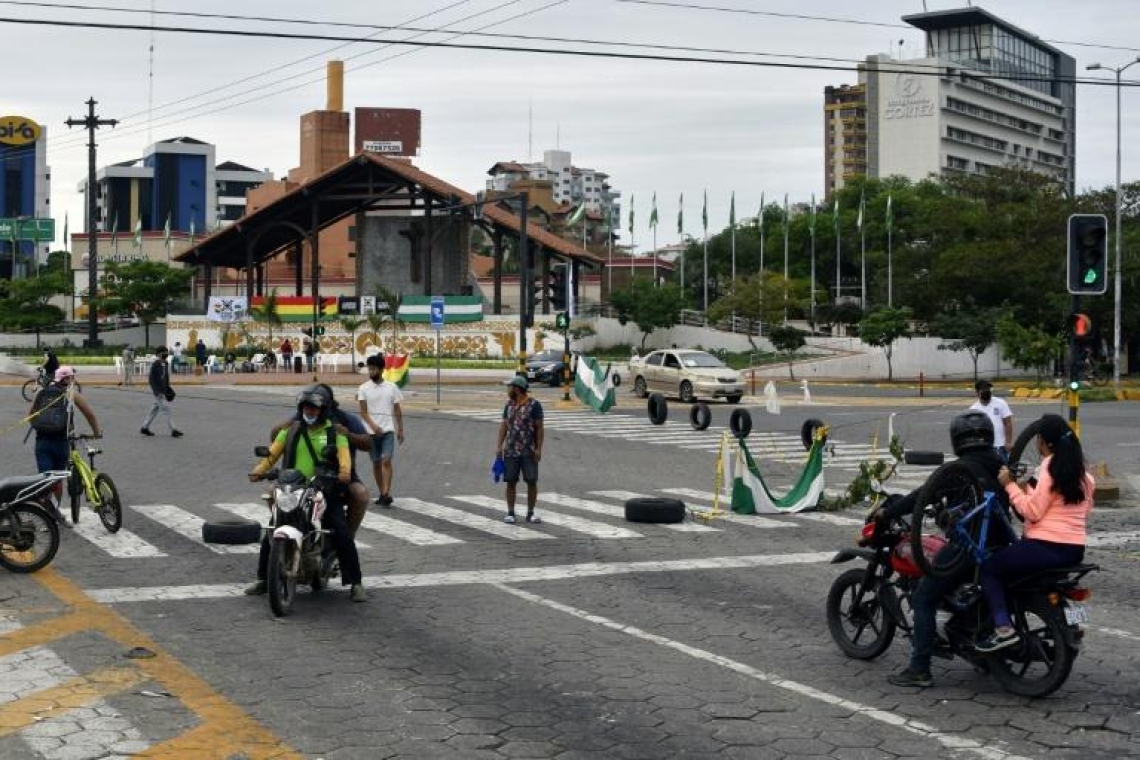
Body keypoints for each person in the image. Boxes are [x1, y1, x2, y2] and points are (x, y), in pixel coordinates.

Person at [884, 412, 1013, 688]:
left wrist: (888, 512)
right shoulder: (1002, 463)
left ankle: (919, 669)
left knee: (923, 597)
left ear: (957, 440)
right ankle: (979, 652)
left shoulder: (960, 469)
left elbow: (922, 494)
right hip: (1003, 544)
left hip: (969, 546)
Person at [976, 414, 1094, 652]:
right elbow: (1080, 510)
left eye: (1039, 440)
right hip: (1073, 550)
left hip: (1044, 547)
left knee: (990, 569)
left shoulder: (1050, 466)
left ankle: (1003, 629)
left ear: (1048, 444)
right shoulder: (1085, 475)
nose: (1037, 444)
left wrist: (1009, 484)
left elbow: (1032, 511)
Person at [246, 385, 365, 602]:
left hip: (323, 491)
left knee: (340, 532)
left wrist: (344, 473)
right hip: (293, 489)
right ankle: (263, 579)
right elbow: (271, 456)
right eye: (306, 408)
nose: (310, 412)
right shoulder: (290, 431)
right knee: (272, 530)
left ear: (323, 410)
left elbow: (344, 456)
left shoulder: (334, 432)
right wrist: (257, 472)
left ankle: (355, 583)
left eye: (314, 409)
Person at [271, 383, 372, 536]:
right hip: (296, 477)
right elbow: (275, 437)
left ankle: (349, 534)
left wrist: (349, 435)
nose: (310, 411)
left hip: (334, 477)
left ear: (327, 406)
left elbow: (368, 443)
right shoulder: (300, 418)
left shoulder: (345, 419)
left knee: (360, 494)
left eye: (316, 406)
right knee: (271, 493)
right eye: (307, 406)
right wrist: (286, 426)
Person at [28, 366, 102, 523]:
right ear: (68, 379)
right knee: (57, 479)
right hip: (61, 442)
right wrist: (96, 432)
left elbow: (30, 416)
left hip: (42, 441)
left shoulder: (41, 392)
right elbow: (90, 414)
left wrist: (42, 427)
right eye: (71, 378)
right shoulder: (72, 394)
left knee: (45, 478)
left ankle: (47, 507)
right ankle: (56, 509)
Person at [496, 375, 545, 525]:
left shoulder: (534, 405)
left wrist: (538, 448)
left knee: (531, 481)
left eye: (510, 386)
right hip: (511, 450)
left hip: (528, 451)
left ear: (517, 389)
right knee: (510, 481)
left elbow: (540, 428)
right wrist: (499, 446)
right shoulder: (509, 405)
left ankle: (530, 513)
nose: (509, 389)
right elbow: (504, 426)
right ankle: (510, 512)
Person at [357, 355, 404, 506]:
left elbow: (397, 409)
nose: (371, 371)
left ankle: (386, 493)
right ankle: (381, 492)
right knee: (376, 463)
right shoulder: (363, 388)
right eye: (369, 369)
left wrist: (400, 429)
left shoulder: (391, 387)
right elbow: (363, 412)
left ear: (382, 369)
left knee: (386, 460)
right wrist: (373, 426)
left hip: (388, 431)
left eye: (374, 369)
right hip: (370, 433)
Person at [141, 346, 182, 438]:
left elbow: (166, 378)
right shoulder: (156, 364)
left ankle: (144, 427)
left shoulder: (166, 364)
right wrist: (157, 391)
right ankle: (173, 430)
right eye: (164, 352)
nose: (166, 354)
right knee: (167, 409)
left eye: (166, 352)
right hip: (158, 392)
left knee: (154, 409)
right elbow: (151, 379)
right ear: (159, 354)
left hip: (163, 391)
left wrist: (168, 389)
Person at [970, 380, 1014, 454]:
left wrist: (1008, 442)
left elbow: (1008, 423)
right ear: (977, 393)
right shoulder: (973, 409)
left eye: (988, 389)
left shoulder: (1001, 403)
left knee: (1004, 465)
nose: (987, 392)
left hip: (1001, 447)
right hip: (984, 448)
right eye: (983, 390)